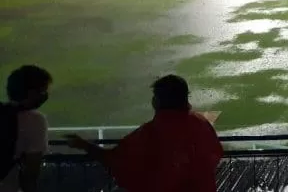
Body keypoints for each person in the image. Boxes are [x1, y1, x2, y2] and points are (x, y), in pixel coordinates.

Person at [66, 75, 222, 192]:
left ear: (158, 101)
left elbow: (117, 161)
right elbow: (215, 154)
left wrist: (85, 146)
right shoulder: (201, 124)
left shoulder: (150, 133)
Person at [0, 65, 52, 192]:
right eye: (43, 91)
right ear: (32, 93)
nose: (45, 95)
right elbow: (30, 175)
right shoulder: (34, 120)